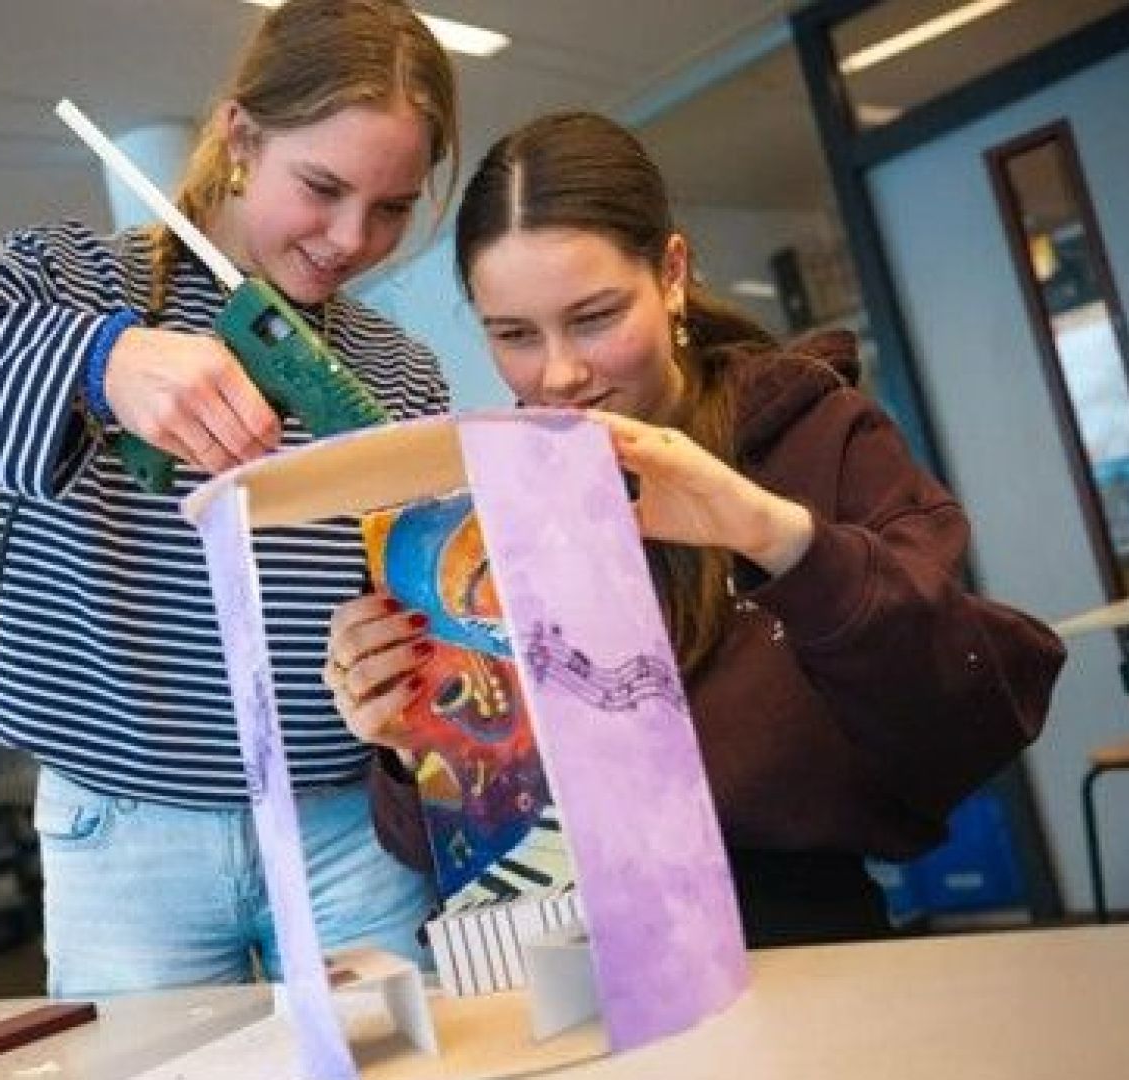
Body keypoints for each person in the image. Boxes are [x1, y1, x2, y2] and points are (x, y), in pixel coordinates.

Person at [0, 0, 456, 995]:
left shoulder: (399, 369)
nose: (352, 238)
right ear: (240, 137)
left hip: (352, 827)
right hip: (125, 838)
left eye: (392, 207)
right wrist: (100, 361)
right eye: (322, 187)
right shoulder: (75, 281)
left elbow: (438, 619)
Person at [324, 111, 1067, 946]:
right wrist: (414, 740)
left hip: (800, 948)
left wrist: (778, 538)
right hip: (572, 960)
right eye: (515, 335)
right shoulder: (477, 513)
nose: (560, 373)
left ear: (671, 273)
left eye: (595, 317)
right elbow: (439, 847)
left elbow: (961, 713)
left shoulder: (818, 439)